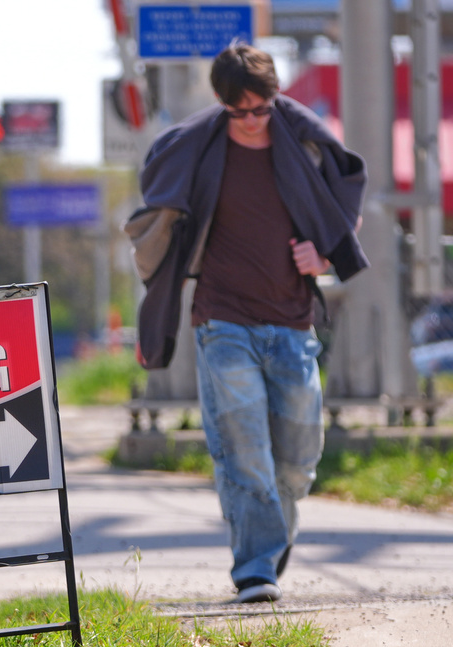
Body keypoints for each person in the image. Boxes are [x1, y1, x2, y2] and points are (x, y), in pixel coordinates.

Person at [130, 43, 369, 603]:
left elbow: (345, 192)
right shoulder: (200, 145)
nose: (252, 123)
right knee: (242, 449)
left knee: (299, 457)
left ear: (274, 97)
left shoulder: (304, 142)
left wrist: (326, 255)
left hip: (292, 324)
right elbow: (158, 183)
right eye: (239, 112)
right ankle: (256, 568)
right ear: (222, 103)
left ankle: (271, 535)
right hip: (223, 322)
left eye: (261, 109)